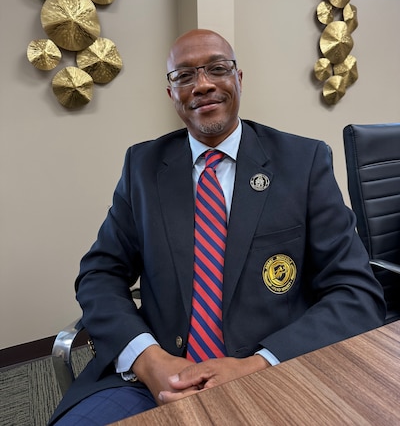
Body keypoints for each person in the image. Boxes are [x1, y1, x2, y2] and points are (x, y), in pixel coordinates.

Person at [50, 29, 385, 425]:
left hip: (274, 369)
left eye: (217, 69)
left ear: (238, 79)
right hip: (156, 380)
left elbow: (357, 291)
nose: (203, 84)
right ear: (171, 93)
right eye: (184, 76)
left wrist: (259, 363)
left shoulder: (303, 162)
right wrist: (147, 358)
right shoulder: (143, 167)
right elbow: (99, 274)